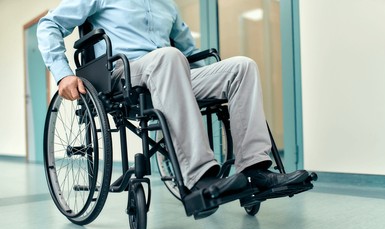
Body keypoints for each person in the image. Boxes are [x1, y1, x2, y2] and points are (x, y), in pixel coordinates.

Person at [37, 0, 309, 198]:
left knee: (241, 66)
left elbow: (189, 50)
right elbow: (49, 24)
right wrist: (63, 75)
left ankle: (255, 170)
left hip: (171, 70)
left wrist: (210, 84)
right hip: (123, 73)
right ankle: (200, 177)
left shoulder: (168, 4)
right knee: (168, 56)